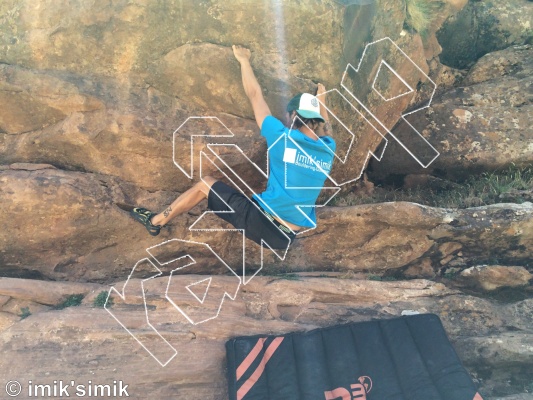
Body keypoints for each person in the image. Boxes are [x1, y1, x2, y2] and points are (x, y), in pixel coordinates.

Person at [130, 45, 336, 250]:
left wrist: (244, 60)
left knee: (205, 184)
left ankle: (156, 221)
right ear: (316, 121)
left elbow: (255, 95)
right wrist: (322, 101)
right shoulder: (328, 149)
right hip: (287, 238)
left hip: (261, 222)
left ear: (292, 115)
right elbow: (327, 128)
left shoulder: (281, 136)